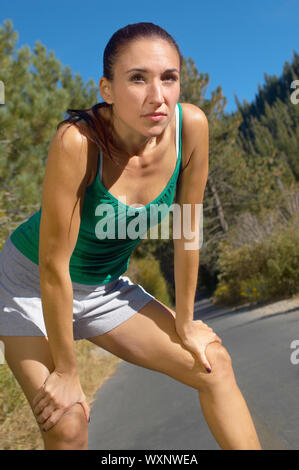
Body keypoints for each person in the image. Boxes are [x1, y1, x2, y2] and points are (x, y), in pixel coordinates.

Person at [0, 22, 262, 450]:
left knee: (213, 363)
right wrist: (67, 372)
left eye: (169, 78)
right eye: (137, 78)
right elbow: (53, 266)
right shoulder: (78, 143)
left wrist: (185, 320)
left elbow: (187, 229)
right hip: (31, 284)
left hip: (104, 286)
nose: (157, 96)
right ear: (107, 88)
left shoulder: (191, 127)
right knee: (68, 423)